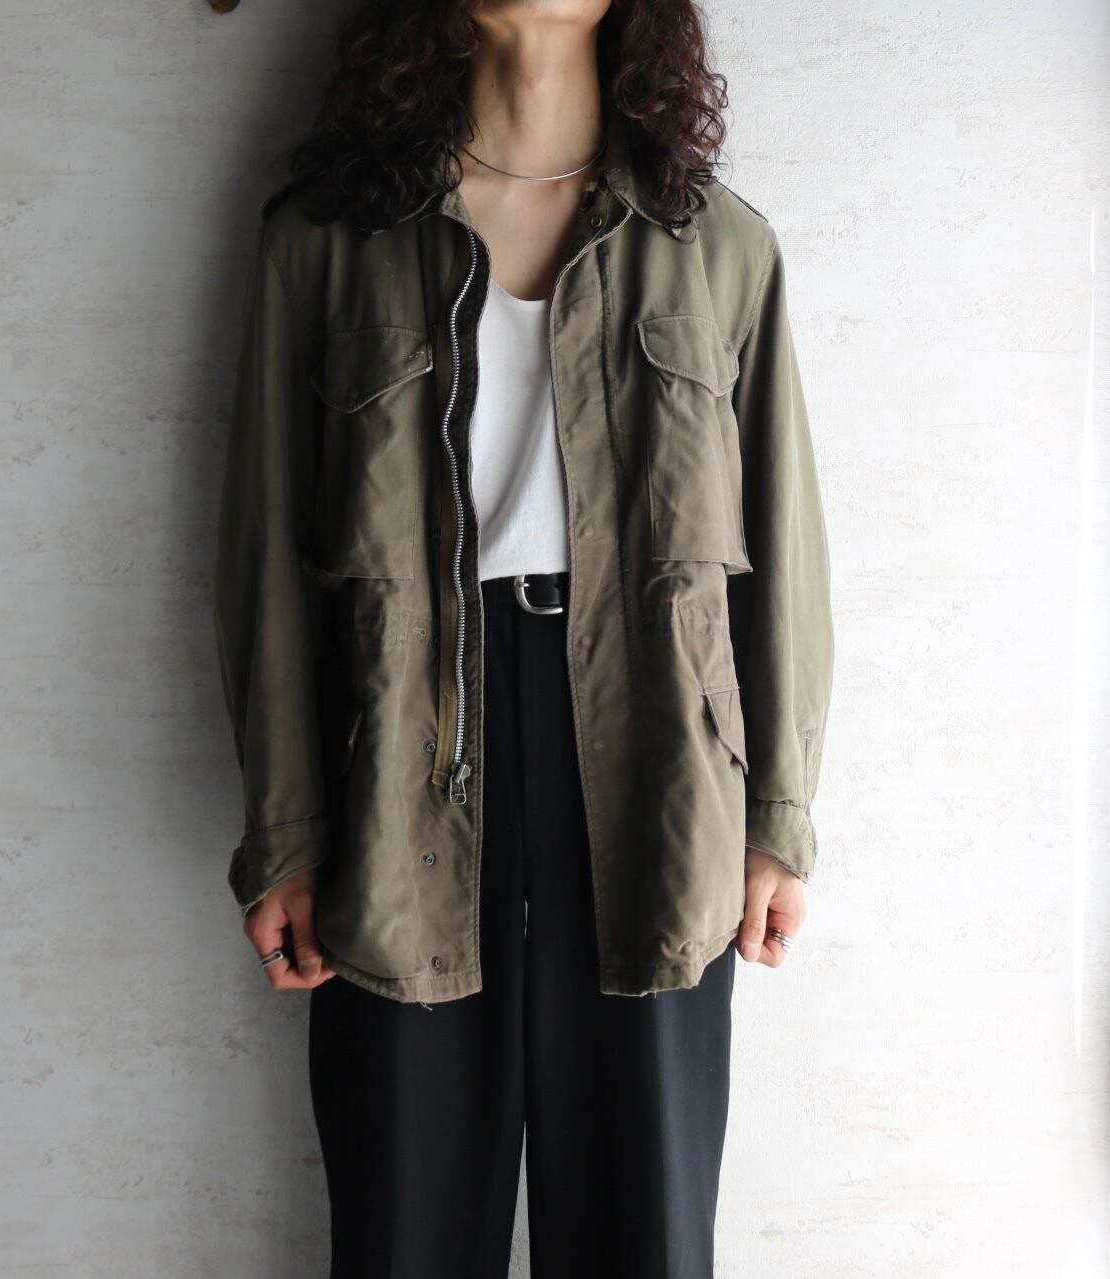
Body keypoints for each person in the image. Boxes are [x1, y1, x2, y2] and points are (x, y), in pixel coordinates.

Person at [213, 1, 834, 1274]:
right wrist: (284, 829)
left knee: (644, 1224)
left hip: (659, 760)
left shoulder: (717, 247)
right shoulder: (327, 244)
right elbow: (264, 561)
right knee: (404, 1223)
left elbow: (785, 555)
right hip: (397, 756)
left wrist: (776, 817)